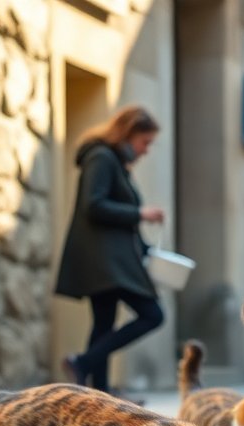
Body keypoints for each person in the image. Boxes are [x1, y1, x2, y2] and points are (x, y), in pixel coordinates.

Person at [55, 106, 167, 401]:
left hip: (109, 260)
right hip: (103, 261)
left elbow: (119, 222)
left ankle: (99, 395)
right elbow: (95, 205)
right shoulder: (101, 158)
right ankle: (82, 363)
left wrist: (145, 250)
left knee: (103, 323)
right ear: (128, 134)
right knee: (152, 314)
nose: (146, 150)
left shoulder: (114, 162)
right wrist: (141, 213)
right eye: (145, 142)